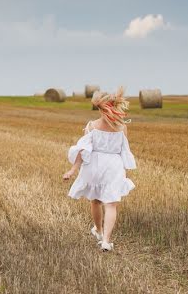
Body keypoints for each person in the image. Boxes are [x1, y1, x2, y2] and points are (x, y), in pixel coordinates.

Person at [62, 88, 136, 252]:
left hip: (94, 166)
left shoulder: (91, 126)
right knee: (111, 204)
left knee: (95, 200)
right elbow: (124, 151)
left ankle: (99, 231)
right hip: (114, 166)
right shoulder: (122, 127)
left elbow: (83, 150)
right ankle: (106, 241)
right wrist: (125, 171)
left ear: (100, 108)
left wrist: (73, 170)